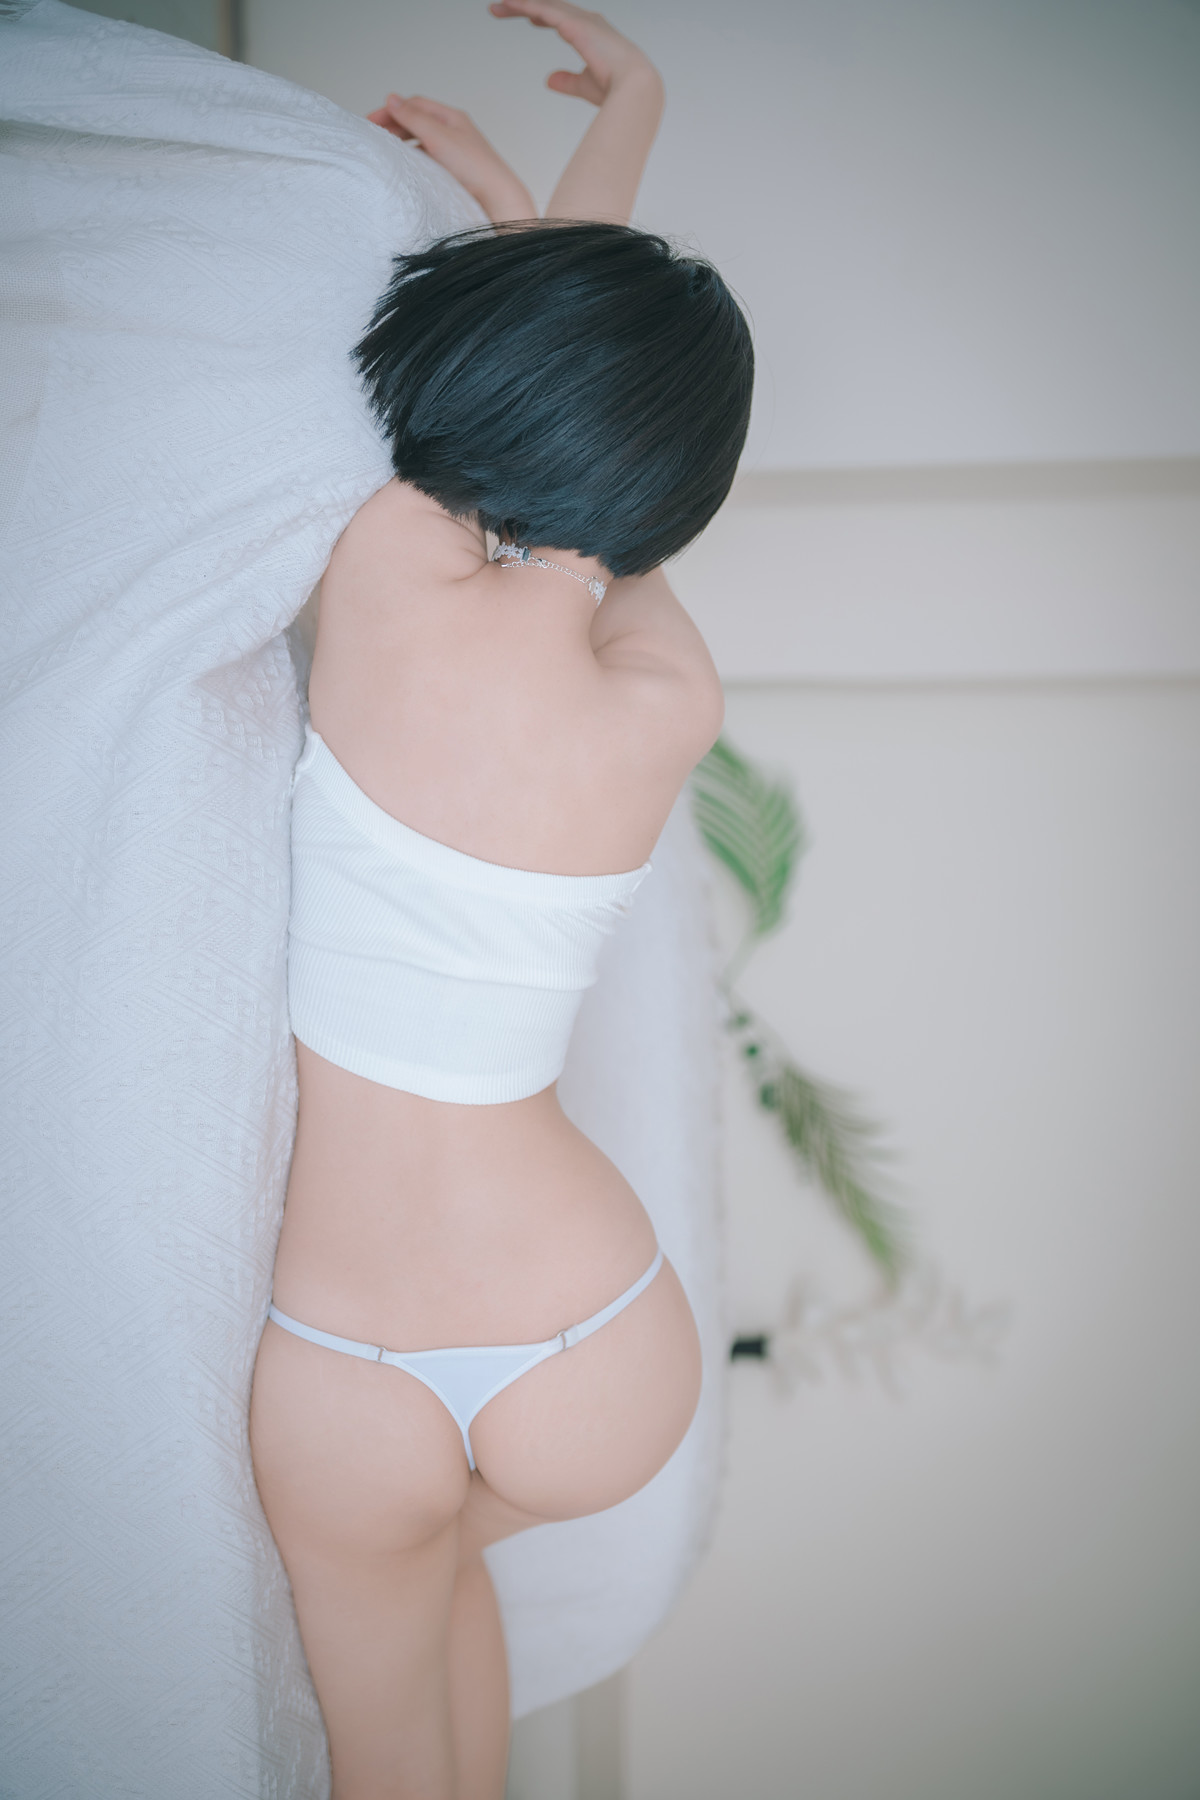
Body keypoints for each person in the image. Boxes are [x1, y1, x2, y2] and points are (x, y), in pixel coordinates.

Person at [248, 3, 753, 1797]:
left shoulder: (384, 564)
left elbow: (527, 415)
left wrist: (603, 146)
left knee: (393, 1686)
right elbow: (595, 487)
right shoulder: (666, 694)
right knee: (444, 1617)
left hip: (351, 1344)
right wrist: (545, 224)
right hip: (594, 1341)